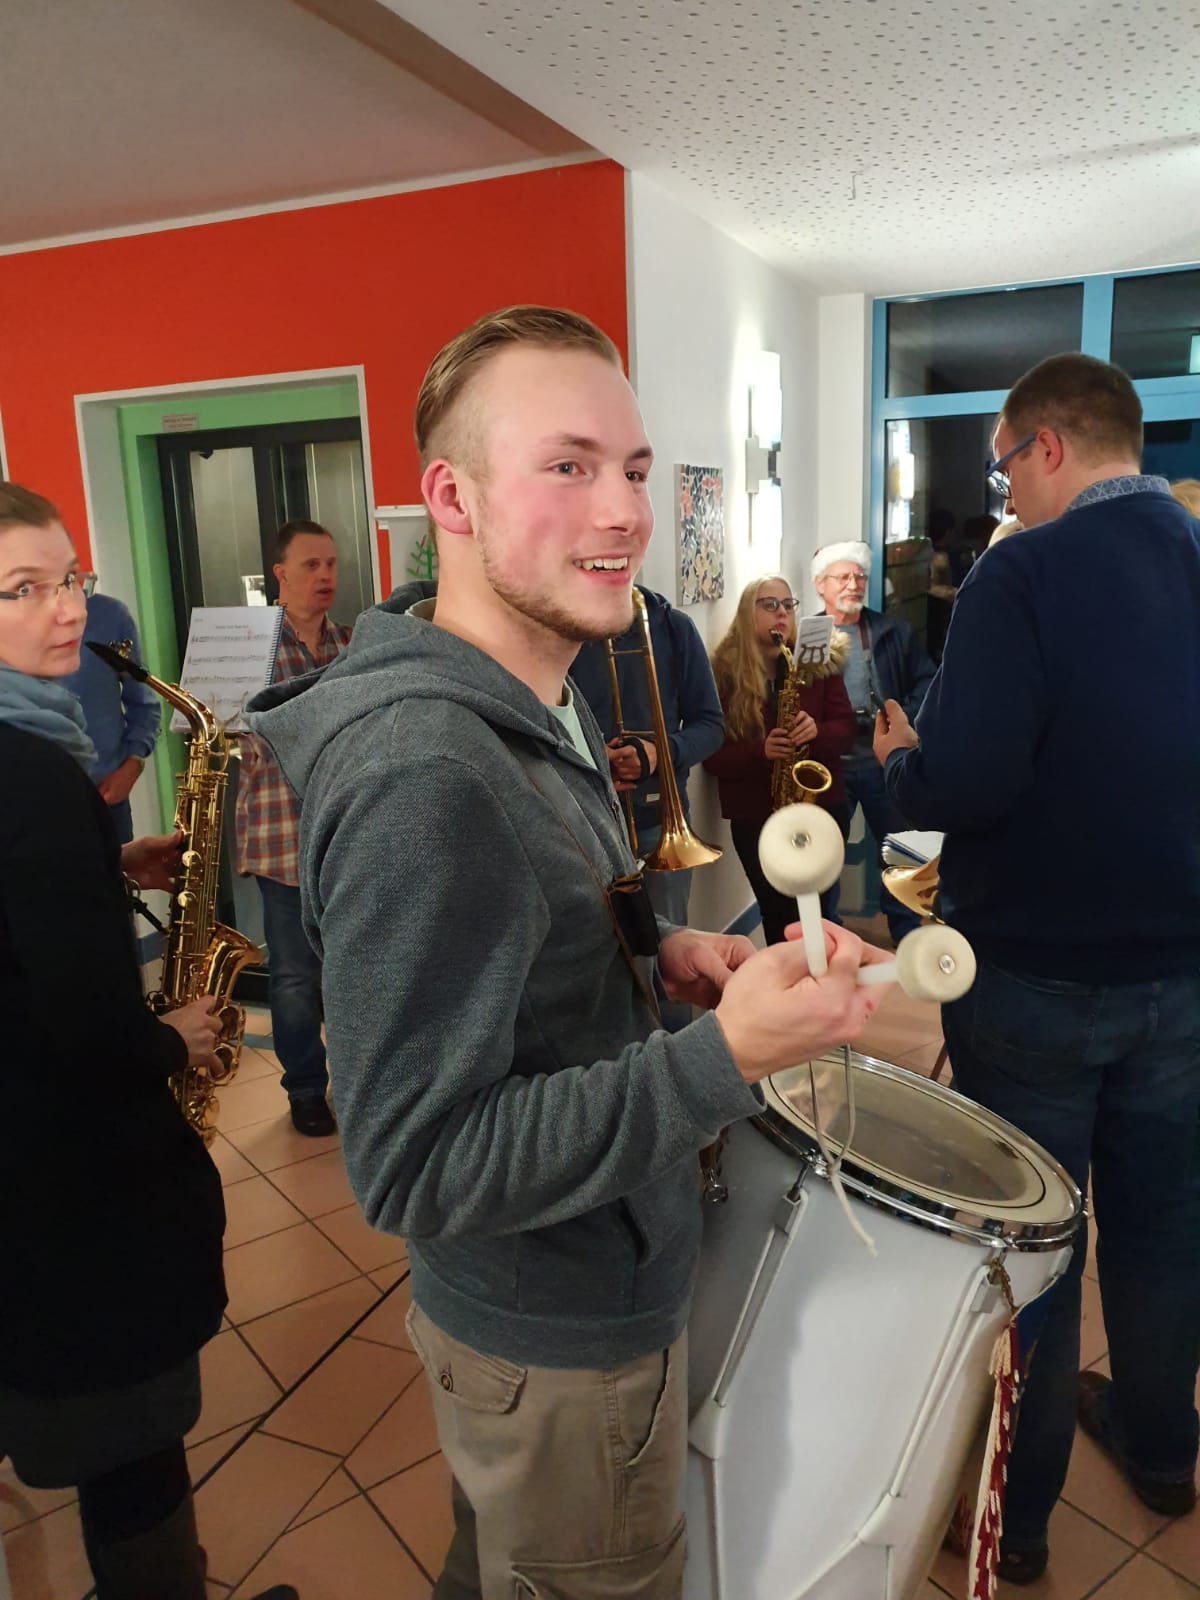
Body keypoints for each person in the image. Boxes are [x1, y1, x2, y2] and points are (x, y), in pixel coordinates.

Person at [243, 305, 890, 1599]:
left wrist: (658, 954)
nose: (624, 511)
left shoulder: (540, 691)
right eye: (567, 465)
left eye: (634, 470)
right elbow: (414, 1164)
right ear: (453, 497)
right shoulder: (426, 771)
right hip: (553, 1331)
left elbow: (525, 935)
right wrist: (721, 1059)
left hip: (584, 1280)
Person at [874, 352, 1200, 1587]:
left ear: (1048, 445)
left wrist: (894, 772)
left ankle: (1019, 1513)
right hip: (1186, 974)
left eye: (1006, 466)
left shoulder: (1024, 572)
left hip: (1039, 977)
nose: (1004, 493)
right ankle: (1164, 1450)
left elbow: (965, 781)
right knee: (1165, 1226)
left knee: (1038, 1239)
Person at [0, 481, 295, 1600]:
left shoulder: (28, 750)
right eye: (23, 588)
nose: (68, 608)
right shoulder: (33, 772)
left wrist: (107, 864)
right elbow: (85, 1032)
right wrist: (175, 1037)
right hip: (71, 1183)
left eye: (70, 575)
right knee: (130, 1439)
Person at [235, 518, 352, 1137]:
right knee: (294, 978)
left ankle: (359, 1085)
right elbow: (224, 734)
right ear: (280, 574)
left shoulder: (355, 645)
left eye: (330, 564)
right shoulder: (246, 648)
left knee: (356, 972)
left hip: (348, 839)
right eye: (311, 565)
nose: (326, 575)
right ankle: (305, 1088)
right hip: (282, 837)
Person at [570, 584, 724, 1029]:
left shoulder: (672, 627)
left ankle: (678, 1057)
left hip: (659, 824)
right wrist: (593, 754)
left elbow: (710, 725)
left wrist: (660, 753)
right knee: (590, 963)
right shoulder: (560, 625)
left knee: (670, 961)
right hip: (583, 824)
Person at [704, 574, 854, 942]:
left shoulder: (817, 664)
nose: (782, 613)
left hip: (820, 810)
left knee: (819, 914)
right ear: (747, 613)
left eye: (788, 604)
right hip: (757, 817)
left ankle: (821, 976)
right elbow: (712, 757)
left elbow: (847, 730)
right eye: (770, 605)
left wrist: (817, 731)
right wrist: (761, 752)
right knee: (778, 917)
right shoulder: (724, 674)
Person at [810, 541, 935, 943]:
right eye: (843, 577)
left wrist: (900, 718)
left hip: (885, 761)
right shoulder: (807, 637)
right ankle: (827, 934)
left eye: (859, 576)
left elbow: (927, 681)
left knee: (900, 851)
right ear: (820, 585)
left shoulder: (893, 631)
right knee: (825, 854)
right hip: (831, 767)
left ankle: (906, 934)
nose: (854, 584)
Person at [61, 586, 161, 843]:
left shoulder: (111, 615)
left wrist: (133, 763)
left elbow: (144, 703)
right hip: (24, 805)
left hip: (105, 801)